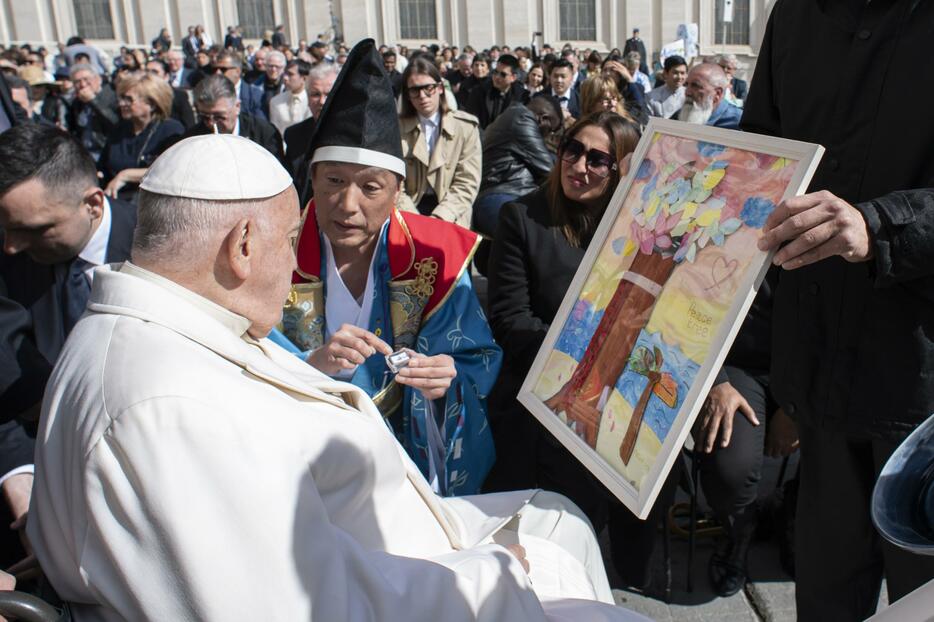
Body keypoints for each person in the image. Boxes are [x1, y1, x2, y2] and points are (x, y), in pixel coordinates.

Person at [26, 128, 649, 621]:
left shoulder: (154, 328)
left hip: (373, 522)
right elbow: (301, 605)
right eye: (287, 237)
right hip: (373, 565)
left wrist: (444, 379)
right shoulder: (168, 407)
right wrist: (493, 572)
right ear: (243, 244)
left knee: (557, 517)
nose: (335, 217)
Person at [741, 0, 934, 618]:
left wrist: (879, 226)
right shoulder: (795, 15)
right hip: (820, 374)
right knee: (825, 596)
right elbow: (757, 155)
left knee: (921, 600)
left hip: (919, 384)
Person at [271, 40, 502, 498]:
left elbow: (476, 359)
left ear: (398, 190)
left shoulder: (436, 258)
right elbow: (243, 365)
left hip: (408, 469)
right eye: (333, 181)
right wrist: (308, 367)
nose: (348, 205)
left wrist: (444, 379)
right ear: (311, 179)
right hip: (304, 469)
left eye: (370, 187)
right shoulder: (274, 254)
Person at [484, 112, 662, 586]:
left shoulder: (640, 232)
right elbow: (511, 320)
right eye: (572, 149)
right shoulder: (522, 217)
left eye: (597, 159)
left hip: (620, 384)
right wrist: (587, 361)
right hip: (540, 386)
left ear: (621, 171)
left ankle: (624, 569)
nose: (578, 165)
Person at [0, 124, 136, 573]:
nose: (12, 245)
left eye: (33, 230)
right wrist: (22, 482)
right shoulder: (9, 254)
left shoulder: (156, 245)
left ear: (93, 203)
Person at [395, 57, 480, 228]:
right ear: (407, 94)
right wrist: (415, 221)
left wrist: (440, 218)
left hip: (451, 210)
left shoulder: (465, 127)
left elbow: (467, 181)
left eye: (428, 88)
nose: (422, 96)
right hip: (409, 209)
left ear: (440, 88)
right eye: (414, 90)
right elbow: (394, 183)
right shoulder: (396, 129)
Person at [473, 96, 561, 239]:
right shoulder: (521, 118)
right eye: (551, 130)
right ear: (543, 119)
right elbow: (550, 171)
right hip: (500, 195)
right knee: (535, 236)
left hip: (508, 195)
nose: (549, 135)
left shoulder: (512, 115)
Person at [99, 73, 185, 202]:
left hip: (151, 203)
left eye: (129, 99)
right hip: (115, 200)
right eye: (121, 98)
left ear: (152, 104)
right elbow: (103, 166)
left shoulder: (170, 130)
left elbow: (172, 170)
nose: (122, 104)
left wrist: (125, 176)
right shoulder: (120, 129)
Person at [178, 74, 285, 166]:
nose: (211, 123)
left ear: (237, 106)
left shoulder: (264, 133)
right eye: (205, 117)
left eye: (219, 116)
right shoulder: (192, 139)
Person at [283, 61, 339, 204]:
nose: (321, 101)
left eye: (328, 94)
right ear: (307, 98)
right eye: (315, 94)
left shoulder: (356, 134)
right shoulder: (293, 135)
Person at [67, 63, 119, 162]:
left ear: (98, 79)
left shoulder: (112, 97)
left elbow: (115, 124)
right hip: (84, 154)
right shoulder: (77, 102)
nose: (82, 85)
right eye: (77, 82)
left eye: (86, 79)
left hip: (105, 152)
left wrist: (93, 101)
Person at [465, 54, 527, 131]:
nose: (497, 77)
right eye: (496, 72)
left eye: (503, 74)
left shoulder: (522, 97)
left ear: (513, 77)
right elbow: (471, 119)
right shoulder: (479, 91)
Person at [676, 63, 742, 129]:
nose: (687, 92)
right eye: (686, 85)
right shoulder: (681, 114)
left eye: (695, 86)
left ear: (717, 94)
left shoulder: (738, 122)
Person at [210, 50, 265, 120]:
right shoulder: (210, 94)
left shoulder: (255, 95)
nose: (217, 73)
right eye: (214, 69)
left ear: (237, 71)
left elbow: (260, 125)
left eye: (223, 69)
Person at [144, 58, 196, 128]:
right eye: (146, 71)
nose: (149, 75)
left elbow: (189, 125)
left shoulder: (178, 96)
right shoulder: (138, 95)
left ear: (166, 76)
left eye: (155, 72)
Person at [268, 59, 311, 136]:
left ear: (304, 78)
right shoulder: (276, 101)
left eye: (290, 74)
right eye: (285, 73)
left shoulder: (313, 101)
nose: (285, 78)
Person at [256, 49, 286, 117]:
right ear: (265, 66)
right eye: (271, 66)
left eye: (277, 66)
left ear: (283, 68)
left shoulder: (289, 87)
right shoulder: (256, 86)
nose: (273, 69)